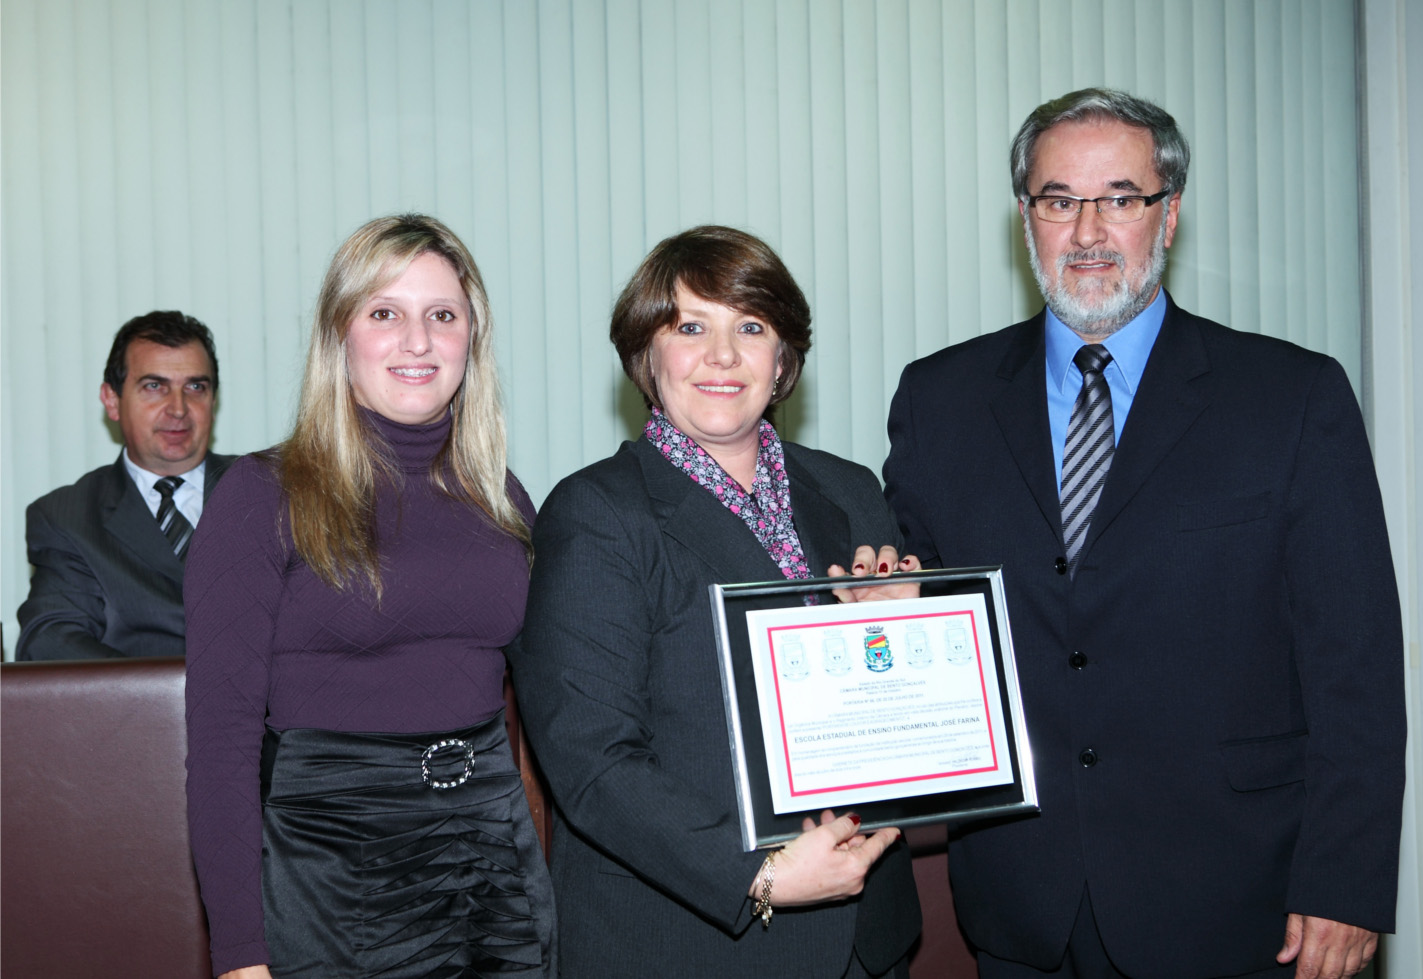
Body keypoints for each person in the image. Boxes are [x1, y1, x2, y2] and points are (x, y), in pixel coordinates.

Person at [883, 89, 1405, 979]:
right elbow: (919, 617)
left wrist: (1346, 882)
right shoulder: (939, 400)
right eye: (1058, 199)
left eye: (1120, 198)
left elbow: (1354, 664)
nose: (1087, 230)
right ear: (1025, 219)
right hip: (1020, 902)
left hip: (1238, 899)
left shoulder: (1290, 397)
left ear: (1168, 217)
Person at [508, 226, 922, 978]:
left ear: (783, 357)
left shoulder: (851, 490)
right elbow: (590, 758)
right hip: (690, 937)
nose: (722, 355)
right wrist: (756, 873)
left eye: (751, 327)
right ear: (646, 355)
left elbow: (892, 722)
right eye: (690, 327)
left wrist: (902, 629)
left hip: (866, 936)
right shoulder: (597, 512)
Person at [184, 214, 555, 979]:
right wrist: (241, 957)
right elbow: (221, 747)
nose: (416, 340)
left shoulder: (503, 497)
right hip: (337, 880)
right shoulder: (260, 497)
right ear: (339, 335)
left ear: (470, 339)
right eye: (384, 312)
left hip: (498, 874)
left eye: (442, 316)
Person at [17, 310, 233, 660]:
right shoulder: (68, 518)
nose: (178, 408)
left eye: (195, 386)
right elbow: (51, 641)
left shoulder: (271, 491)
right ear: (112, 401)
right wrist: (161, 694)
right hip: (143, 712)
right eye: (154, 386)